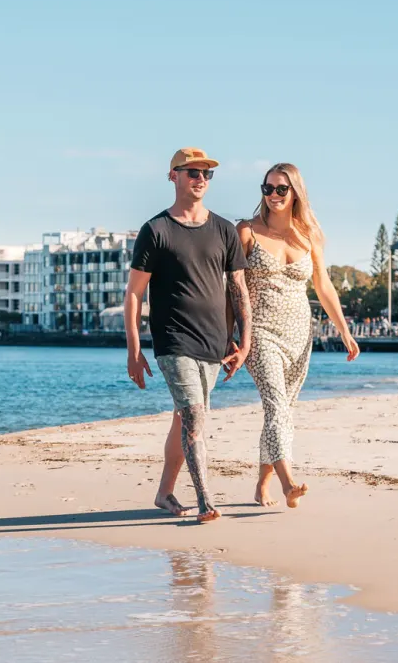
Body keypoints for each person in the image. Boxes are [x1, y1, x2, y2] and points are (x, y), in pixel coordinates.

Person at [125, 147, 251, 524]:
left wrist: (245, 341)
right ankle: (206, 499)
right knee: (195, 416)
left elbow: (238, 289)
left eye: (206, 174)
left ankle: (164, 493)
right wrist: (134, 350)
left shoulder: (225, 230)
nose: (200, 179)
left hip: (214, 343)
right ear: (173, 176)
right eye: (192, 172)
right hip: (173, 340)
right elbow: (134, 293)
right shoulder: (156, 230)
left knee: (184, 418)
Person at [236, 163, 359, 508]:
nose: (273, 195)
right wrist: (230, 334)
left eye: (280, 189)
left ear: (295, 193)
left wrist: (344, 331)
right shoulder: (246, 231)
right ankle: (290, 483)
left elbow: (323, 286)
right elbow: (232, 287)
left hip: (299, 333)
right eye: (267, 188)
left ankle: (262, 484)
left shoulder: (308, 236)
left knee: (283, 410)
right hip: (260, 331)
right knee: (276, 405)